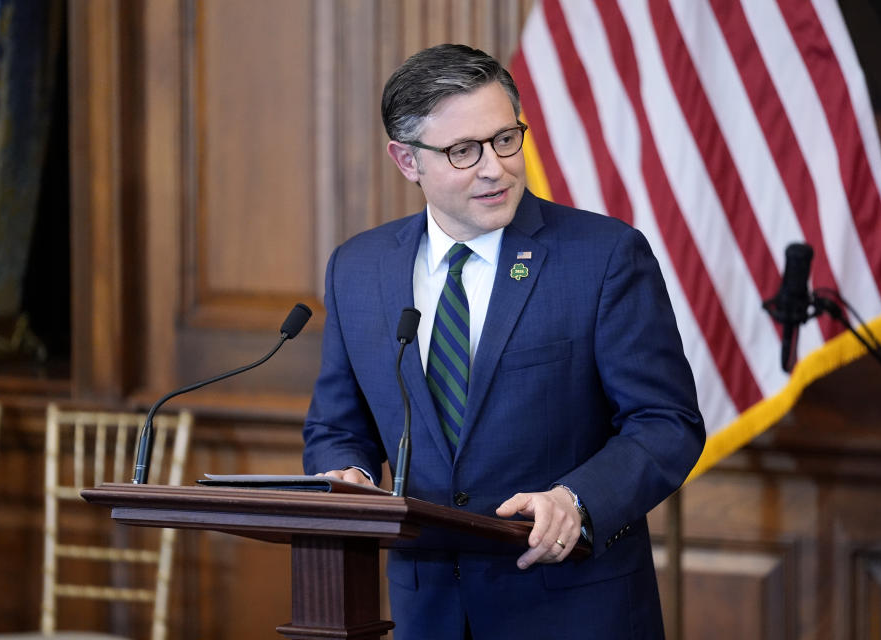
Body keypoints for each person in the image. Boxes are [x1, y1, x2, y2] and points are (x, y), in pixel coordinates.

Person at [302, 43, 705, 640]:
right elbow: (339, 427)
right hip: (426, 610)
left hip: (569, 607)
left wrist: (577, 500)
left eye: (505, 139)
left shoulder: (603, 257)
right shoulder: (358, 269)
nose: (495, 167)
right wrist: (346, 477)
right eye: (463, 151)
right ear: (407, 161)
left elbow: (666, 422)